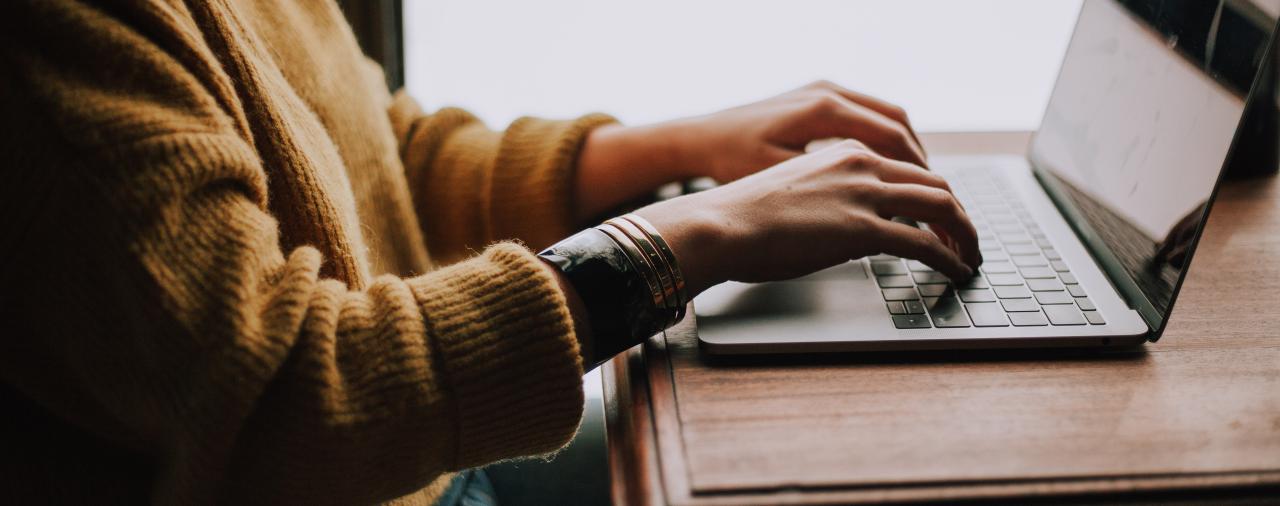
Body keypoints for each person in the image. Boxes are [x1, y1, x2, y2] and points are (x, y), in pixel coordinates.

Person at [0, 0, 980, 504]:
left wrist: (681, 148)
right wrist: (691, 235)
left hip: (422, 465)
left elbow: (379, 155)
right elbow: (286, 398)